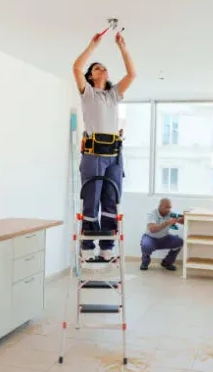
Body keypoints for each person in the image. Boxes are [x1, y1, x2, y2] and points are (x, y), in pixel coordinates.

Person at [73, 30, 136, 261]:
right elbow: (76, 68)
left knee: (110, 200)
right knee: (92, 199)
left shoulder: (113, 95)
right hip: (93, 154)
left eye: (103, 67)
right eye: (97, 68)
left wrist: (122, 47)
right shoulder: (88, 93)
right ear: (91, 76)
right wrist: (93, 45)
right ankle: (88, 247)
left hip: (114, 156)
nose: (102, 70)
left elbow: (132, 74)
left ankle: (107, 247)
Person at [140, 198, 185, 271]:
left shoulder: (171, 214)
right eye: (167, 207)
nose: (169, 209)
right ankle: (145, 262)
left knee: (180, 242)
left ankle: (167, 262)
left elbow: (182, 221)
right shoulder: (152, 214)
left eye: (170, 207)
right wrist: (167, 223)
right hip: (150, 238)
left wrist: (185, 216)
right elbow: (152, 229)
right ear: (160, 206)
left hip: (165, 238)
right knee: (146, 245)